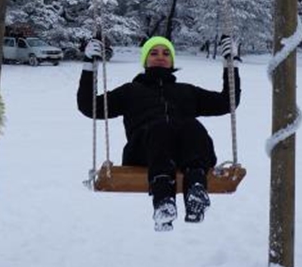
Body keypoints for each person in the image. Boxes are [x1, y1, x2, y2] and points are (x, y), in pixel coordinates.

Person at [77, 34, 241, 232]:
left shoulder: (187, 92)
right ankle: (163, 200)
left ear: (172, 60)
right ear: (145, 60)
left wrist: (230, 64)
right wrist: (89, 66)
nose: (160, 56)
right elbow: (89, 106)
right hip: (144, 152)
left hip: (185, 155)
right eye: (153, 53)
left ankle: (196, 190)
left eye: (166, 53)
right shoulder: (130, 91)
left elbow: (227, 102)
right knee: (160, 127)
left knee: (192, 126)